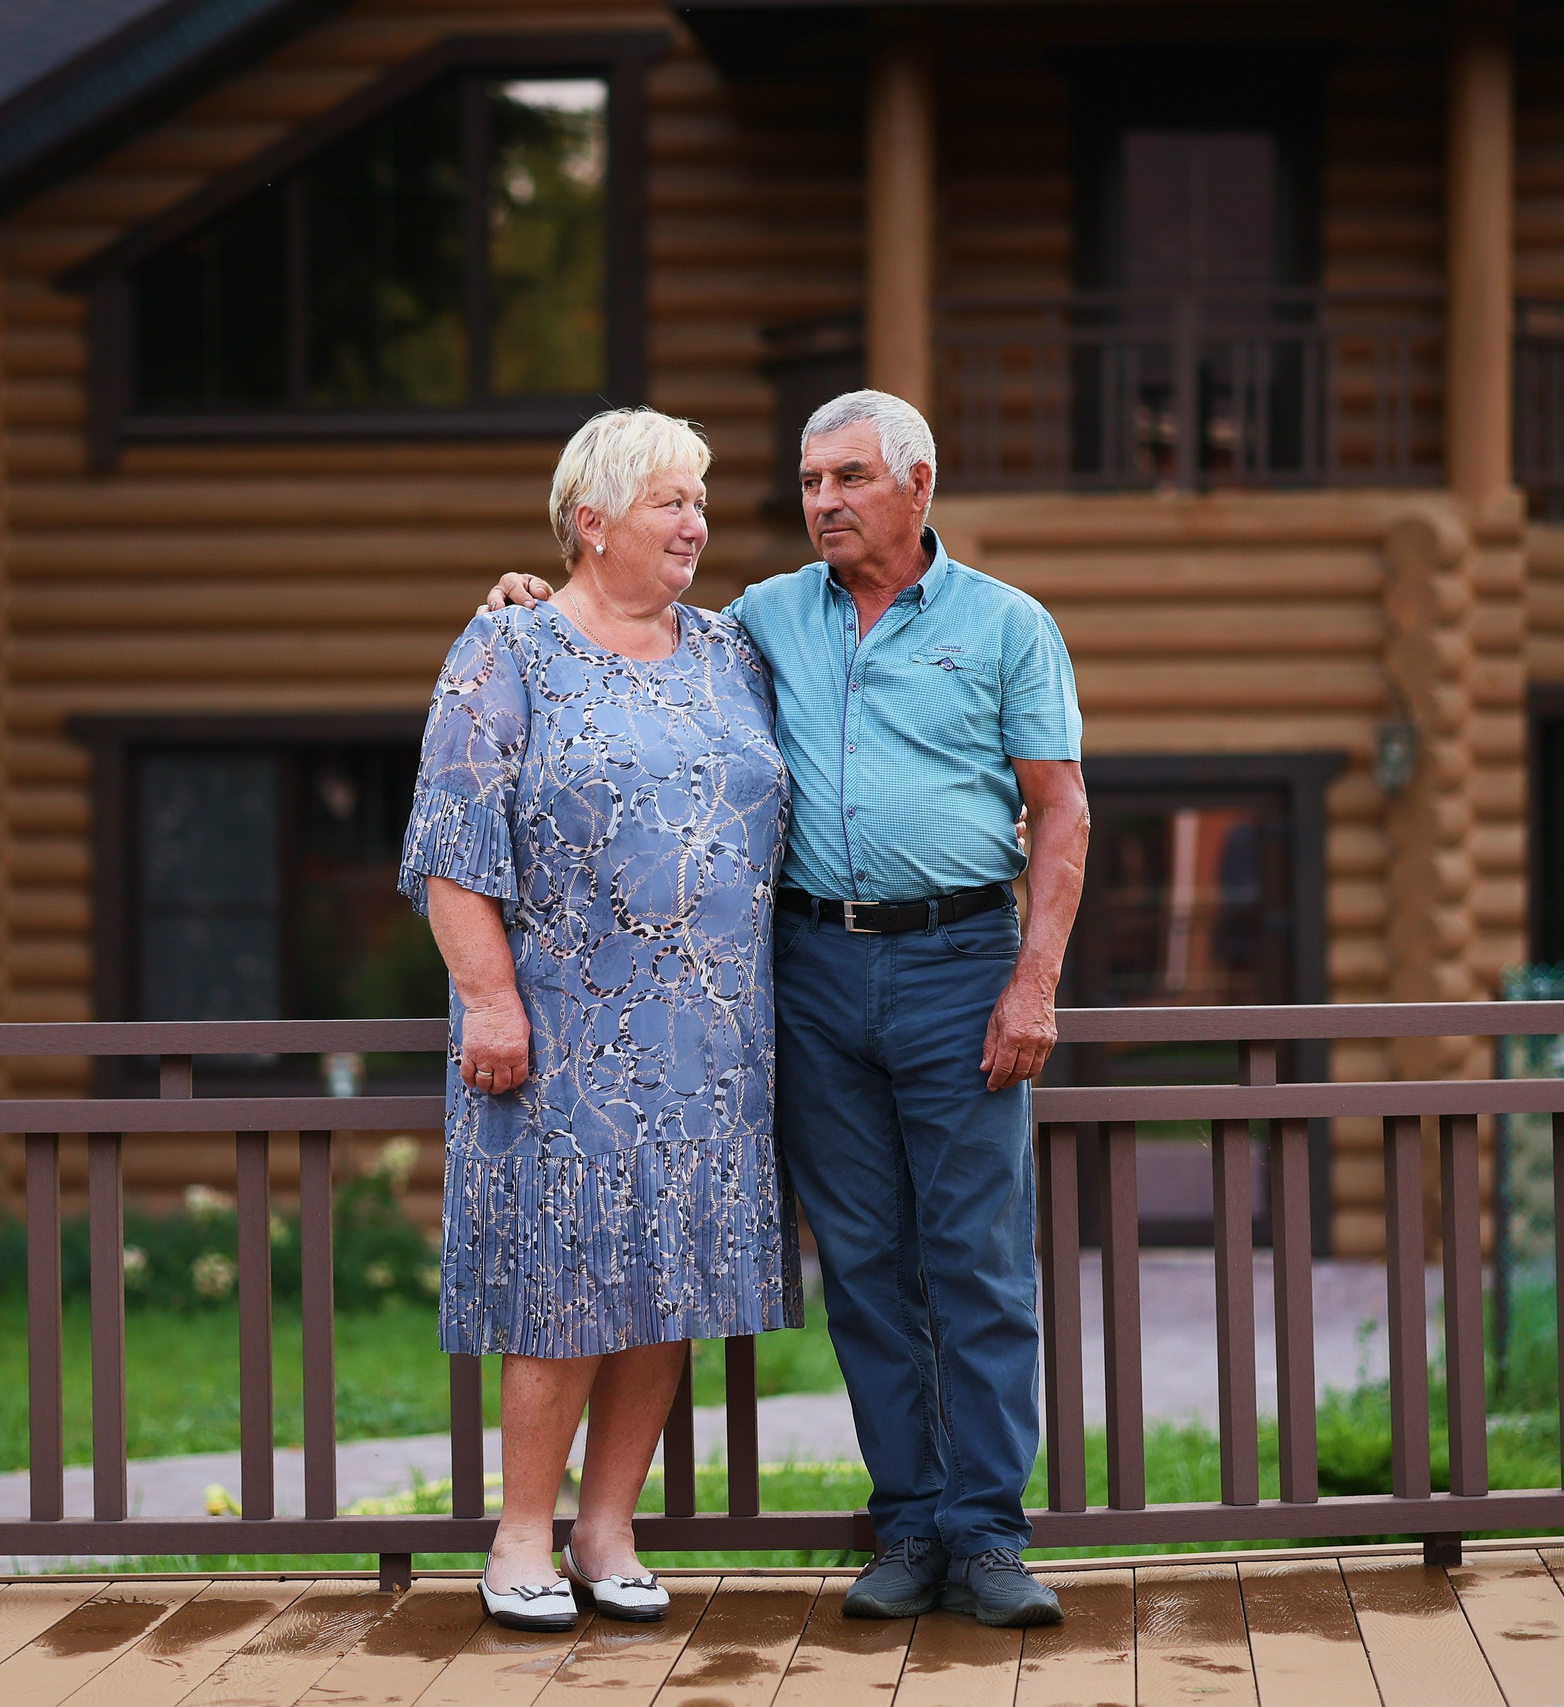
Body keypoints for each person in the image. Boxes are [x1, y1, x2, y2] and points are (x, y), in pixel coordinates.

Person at [487, 390, 1089, 1628]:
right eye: (811, 482)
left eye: (851, 479)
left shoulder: (1007, 626)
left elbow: (1064, 816)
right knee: (863, 1263)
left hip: (957, 962)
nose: (823, 502)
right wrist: (525, 601)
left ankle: (986, 1537)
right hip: (809, 973)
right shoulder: (756, 622)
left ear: (918, 487)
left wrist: (1032, 983)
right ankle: (910, 1527)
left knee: (973, 1260)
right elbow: (619, 625)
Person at [402, 406, 801, 1632]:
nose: (697, 522)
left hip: (718, 1037)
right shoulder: (507, 648)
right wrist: (488, 1001)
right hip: (562, 1036)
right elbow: (453, 846)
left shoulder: (732, 650)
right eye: (671, 501)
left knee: (671, 1279)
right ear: (592, 523)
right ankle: (520, 1534)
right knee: (563, 1279)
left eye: (699, 500)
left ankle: (606, 1527)